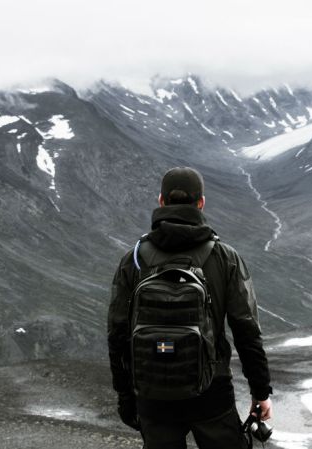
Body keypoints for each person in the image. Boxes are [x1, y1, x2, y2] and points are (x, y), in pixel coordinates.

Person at [107, 166, 273, 449]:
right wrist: (261, 392)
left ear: (161, 202)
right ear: (201, 203)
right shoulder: (225, 257)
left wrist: (126, 396)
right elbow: (246, 330)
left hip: (152, 393)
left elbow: (117, 334)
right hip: (212, 391)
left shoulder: (132, 260)